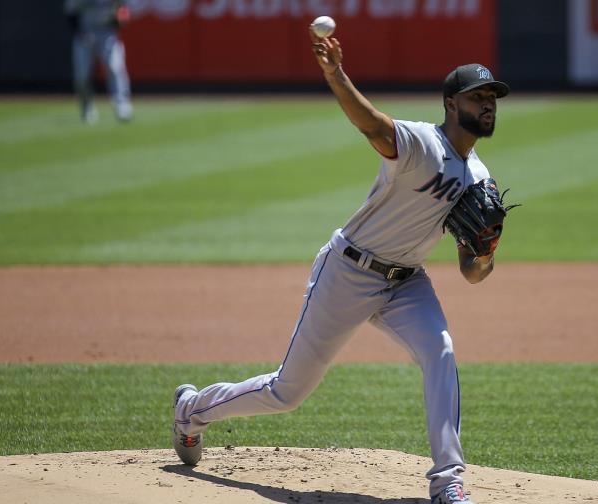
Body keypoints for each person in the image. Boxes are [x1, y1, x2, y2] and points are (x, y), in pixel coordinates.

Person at [171, 24, 510, 504]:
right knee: (287, 393)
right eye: (478, 96)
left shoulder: (479, 176)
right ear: (452, 104)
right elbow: (372, 125)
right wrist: (336, 75)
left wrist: (486, 252)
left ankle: (447, 481)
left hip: (407, 283)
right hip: (349, 271)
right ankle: (191, 409)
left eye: (492, 97)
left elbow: (471, 272)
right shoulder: (421, 142)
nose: (488, 104)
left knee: (441, 351)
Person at [64, 0, 133, 123]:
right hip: (85, 33)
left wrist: (119, 19)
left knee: (115, 68)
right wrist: (79, 32)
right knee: (82, 77)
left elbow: (123, 10)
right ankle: (87, 107)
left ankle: (122, 104)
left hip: (107, 33)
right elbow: (70, 12)